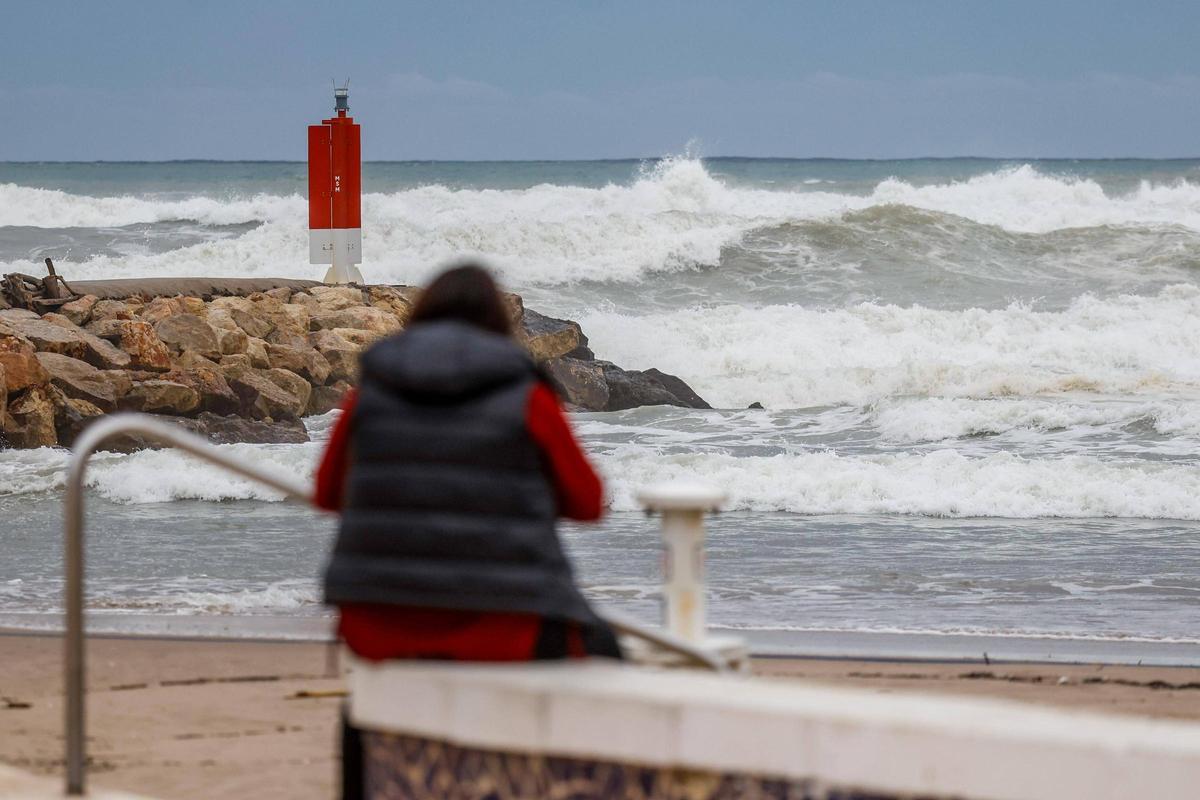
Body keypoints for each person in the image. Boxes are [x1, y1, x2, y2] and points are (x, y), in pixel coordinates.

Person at [316, 264, 621, 661]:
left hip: (376, 623)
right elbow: (587, 503)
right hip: (501, 625)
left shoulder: (369, 393)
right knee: (606, 651)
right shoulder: (528, 397)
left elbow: (327, 494)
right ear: (499, 320)